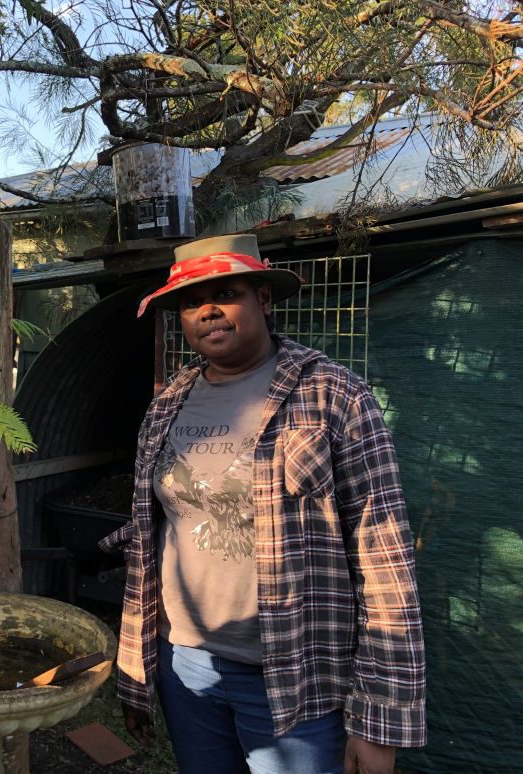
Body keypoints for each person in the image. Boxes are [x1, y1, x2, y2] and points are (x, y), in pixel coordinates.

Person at [102, 235, 425, 773]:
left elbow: (384, 558)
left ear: (264, 301)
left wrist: (378, 720)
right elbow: (157, 529)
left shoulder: (334, 396)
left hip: (294, 674)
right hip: (187, 664)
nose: (207, 311)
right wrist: (138, 668)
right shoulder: (167, 405)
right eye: (189, 302)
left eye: (226, 293)